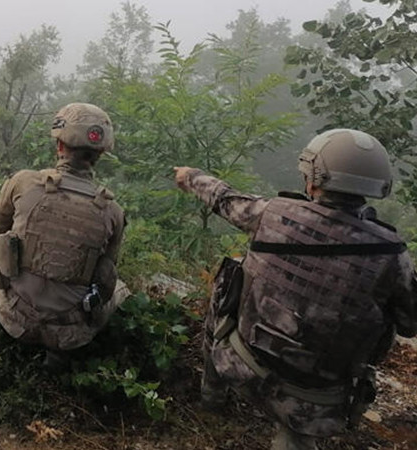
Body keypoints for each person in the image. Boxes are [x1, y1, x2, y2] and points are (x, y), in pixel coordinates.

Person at [174, 128, 416, 450]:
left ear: (312, 179)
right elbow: (409, 324)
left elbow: (225, 198)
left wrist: (191, 176)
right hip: (314, 401)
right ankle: (291, 438)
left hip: (239, 364)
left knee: (229, 277)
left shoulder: (273, 214)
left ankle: (212, 397)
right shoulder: (390, 254)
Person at [0, 103, 129, 365]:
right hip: (71, 333)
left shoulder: (24, 182)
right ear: (99, 155)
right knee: (119, 286)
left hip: (15, 319)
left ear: (60, 145)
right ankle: (58, 356)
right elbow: (106, 270)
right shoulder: (112, 211)